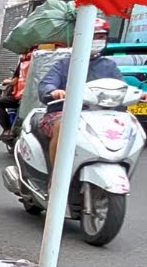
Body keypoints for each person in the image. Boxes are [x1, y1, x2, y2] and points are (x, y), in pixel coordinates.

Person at [38, 19, 122, 167]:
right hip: (63, 113)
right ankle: (56, 179)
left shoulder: (109, 66)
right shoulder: (64, 64)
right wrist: (54, 91)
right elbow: (46, 84)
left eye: (102, 37)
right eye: (95, 37)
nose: (98, 41)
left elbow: (121, 87)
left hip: (99, 116)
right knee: (63, 126)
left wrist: (138, 95)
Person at [0, 61, 22, 143]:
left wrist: (6, 81)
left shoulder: (25, 61)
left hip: (20, 96)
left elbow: (14, 81)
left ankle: (7, 130)